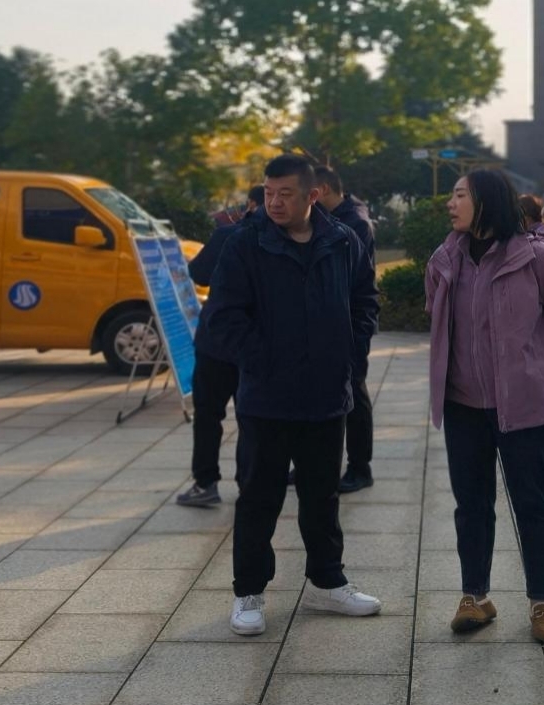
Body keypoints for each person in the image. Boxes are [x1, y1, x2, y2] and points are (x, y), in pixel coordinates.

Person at [204, 154, 382, 635]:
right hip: (267, 398)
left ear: (312, 195)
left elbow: (364, 300)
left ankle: (327, 582)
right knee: (258, 497)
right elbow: (222, 317)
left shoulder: (341, 240)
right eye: (269, 192)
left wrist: (349, 354)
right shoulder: (246, 243)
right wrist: (263, 361)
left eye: (285, 193)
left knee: (322, 496)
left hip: (327, 396)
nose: (275, 202)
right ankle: (249, 592)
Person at [425, 169, 544, 644]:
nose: (450, 203)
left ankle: (542, 601)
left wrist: (532, 361)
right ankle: (475, 596)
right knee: (471, 505)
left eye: (460, 195)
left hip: (526, 406)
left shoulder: (537, 257)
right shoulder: (444, 259)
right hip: (463, 405)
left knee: (533, 504)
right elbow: (435, 312)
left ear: (487, 201)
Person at [177, 185, 264, 508]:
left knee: (208, 415)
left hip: (216, 342)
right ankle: (249, 484)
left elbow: (197, 272)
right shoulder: (285, 239)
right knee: (251, 418)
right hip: (255, 345)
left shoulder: (228, 235)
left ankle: (206, 482)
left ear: (251, 204)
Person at [313, 165, 376, 493]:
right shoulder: (332, 217)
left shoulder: (354, 223)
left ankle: (360, 467)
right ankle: (314, 461)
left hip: (350, 323)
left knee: (353, 392)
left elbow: (354, 280)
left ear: (322, 189)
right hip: (327, 323)